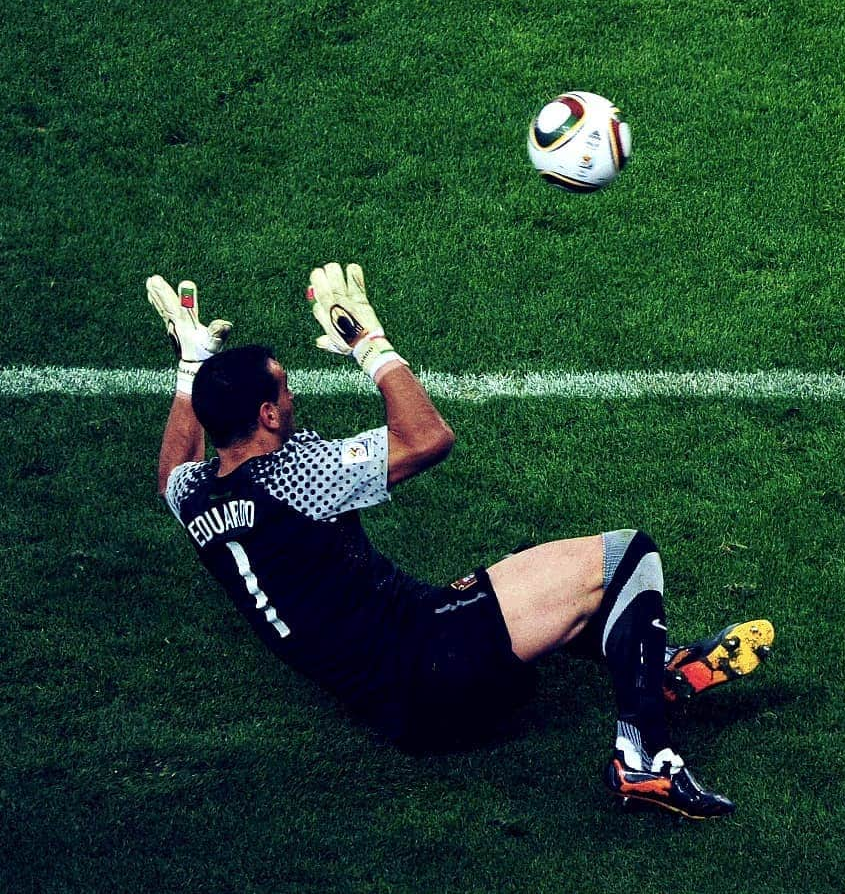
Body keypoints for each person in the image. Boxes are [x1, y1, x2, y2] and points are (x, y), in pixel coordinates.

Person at [147, 262, 775, 821]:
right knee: (626, 558)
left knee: (570, 591)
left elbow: (171, 466)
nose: (294, 395)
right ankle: (644, 758)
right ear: (265, 415)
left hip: (387, 688)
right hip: (432, 663)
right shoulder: (295, 475)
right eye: (283, 388)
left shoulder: (196, 495)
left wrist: (191, 366)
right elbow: (427, 439)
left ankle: (653, 669)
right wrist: (372, 346)